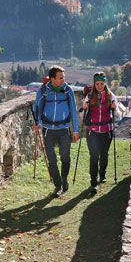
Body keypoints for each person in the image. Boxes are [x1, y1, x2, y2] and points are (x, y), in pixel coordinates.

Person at [33, 65, 79, 197]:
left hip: (64, 129)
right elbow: (37, 109)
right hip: (48, 130)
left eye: (63, 77)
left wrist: (75, 130)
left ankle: (64, 178)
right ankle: (58, 186)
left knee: (65, 157)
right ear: (52, 79)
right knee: (52, 160)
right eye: (60, 78)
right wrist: (38, 123)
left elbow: (73, 111)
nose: (63, 80)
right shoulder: (43, 91)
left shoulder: (67, 90)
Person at [81, 72, 117, 196]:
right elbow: (82, 116)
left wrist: (114, 108)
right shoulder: (89, 97)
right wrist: (84, 108)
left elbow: (116, 115)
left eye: (102, 83)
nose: (100, 86)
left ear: (105, 83)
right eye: (97, 84)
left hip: (107, 130)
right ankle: (93, 182)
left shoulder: (111, 96)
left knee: (104, 154)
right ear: (94, 83)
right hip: (92, 131)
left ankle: (102, 173)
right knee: (94, 156)